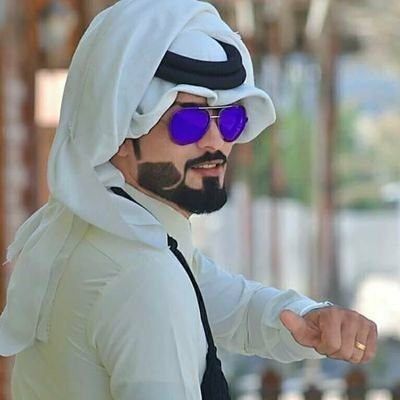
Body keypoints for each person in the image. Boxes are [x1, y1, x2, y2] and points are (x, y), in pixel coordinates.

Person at [0, 0, 377, 399]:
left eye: (230, 120)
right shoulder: (141, 276)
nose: (215, 142)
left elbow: (225, 302)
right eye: (188, 122)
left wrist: (310, 318)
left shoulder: (116, 233)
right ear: (119, 134)